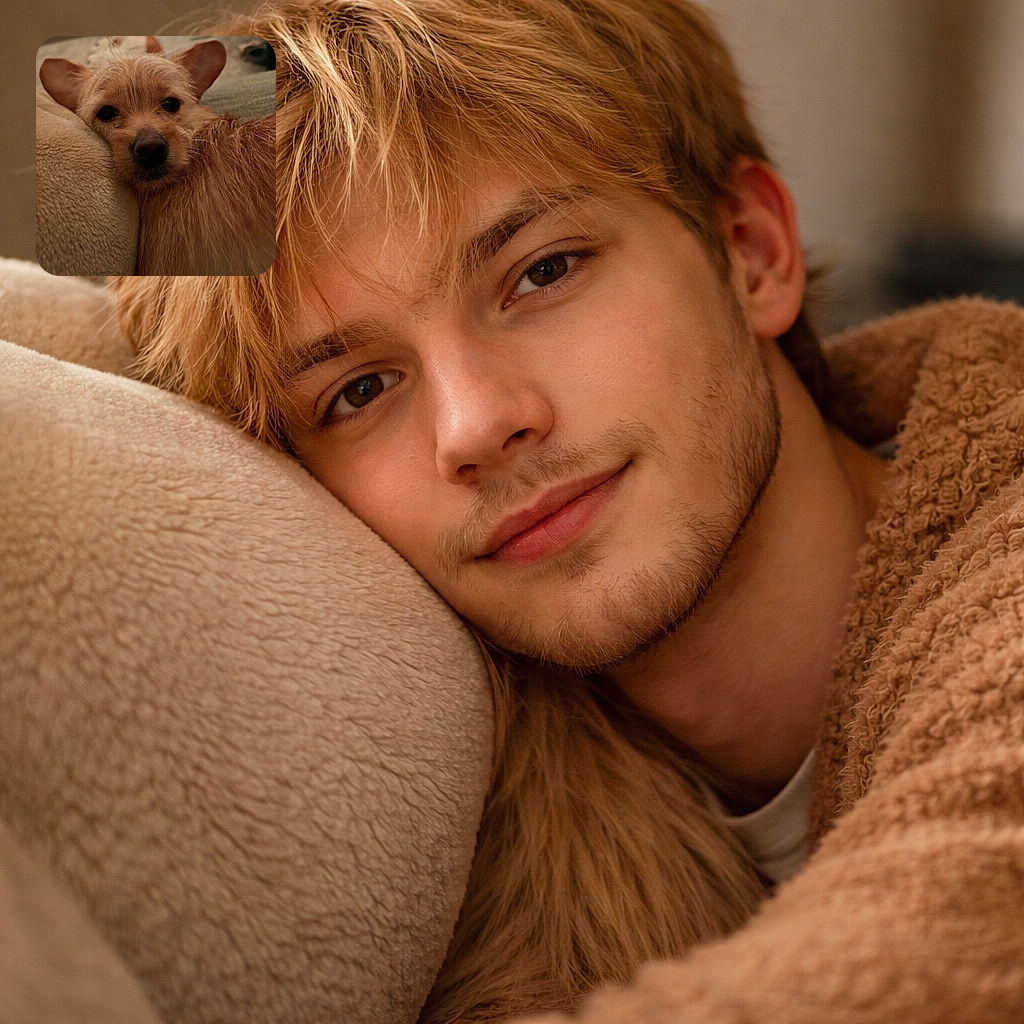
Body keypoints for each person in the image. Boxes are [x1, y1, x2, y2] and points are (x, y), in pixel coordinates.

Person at [109, 0, 1024, 1021]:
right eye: (358, 391)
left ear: (751, 251)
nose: (475, 424)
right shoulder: (463, 794)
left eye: (541, 272)